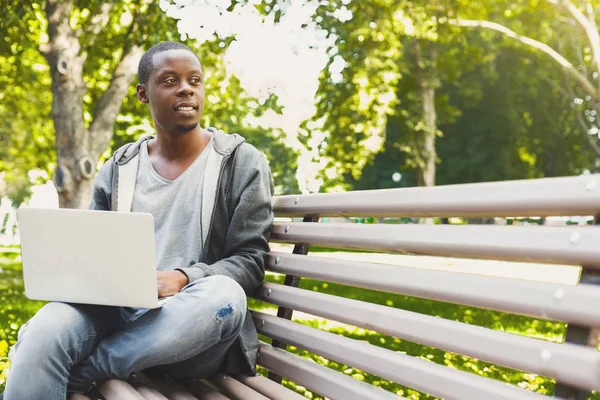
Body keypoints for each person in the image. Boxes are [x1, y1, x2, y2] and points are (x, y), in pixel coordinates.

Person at [3, 41, 274, 399]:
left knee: (225, 295)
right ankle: (88, 360)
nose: (186, 88)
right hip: (116, 314)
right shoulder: (121, 166)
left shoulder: (240, 162)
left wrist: (182, 279)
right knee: (42, 333)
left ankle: (90, 368)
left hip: (190, 331)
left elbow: (250, 262)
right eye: (170, 80)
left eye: (195, 80)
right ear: (143, 95)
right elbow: (92, 248)